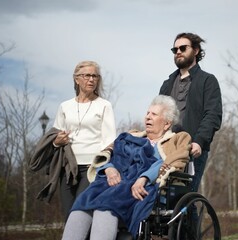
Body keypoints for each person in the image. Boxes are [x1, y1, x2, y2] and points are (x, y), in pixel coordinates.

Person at [61, 95, 191, 240]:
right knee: (82, 202)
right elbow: (107, 155)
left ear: (167, 123)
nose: (147, 117)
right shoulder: (131, 136)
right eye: (147, 113)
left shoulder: (176, 140)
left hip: (141, 186)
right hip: (112, 181)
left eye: (153, 114)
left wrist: (144, 178)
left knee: (106, 205)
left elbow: (172, 161)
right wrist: (109, 169)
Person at [30, 60, 116, 221]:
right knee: (68, 216)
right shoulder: (64, 106)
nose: (91, 79)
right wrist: (57, 142)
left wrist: (104, 165)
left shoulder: (104, 105)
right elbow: (55, 138)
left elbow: (109, 140)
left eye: (95, 76)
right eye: (87, 75)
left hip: (91, 168)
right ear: (77, 79)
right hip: (67, 168)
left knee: (80, 214)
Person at [159, 32, 222, 192]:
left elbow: (213, 115)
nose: (178, 52)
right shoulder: (167, 84)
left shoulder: (207, 81)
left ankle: (190, 218)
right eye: (175, 50)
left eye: (182, 48)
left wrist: (199, 141)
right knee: (162, 198)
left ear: (195, 50)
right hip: (166, 148)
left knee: (185, 197)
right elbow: (159, 115)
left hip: (192, 148)